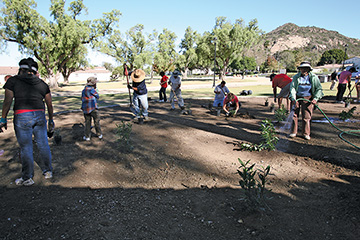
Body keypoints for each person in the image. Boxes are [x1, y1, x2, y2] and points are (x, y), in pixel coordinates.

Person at [0, 57, 54, 186]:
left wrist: (3, 119)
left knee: (26, 147)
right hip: (40, 115)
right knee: (43, 144)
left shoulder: (13, 81)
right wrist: (51, 120)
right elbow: (49, 104)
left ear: (21, 69)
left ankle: (27, 178)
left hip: (22, 116)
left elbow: (7, 101)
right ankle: (48, 171)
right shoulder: (42, 84)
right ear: (35, 71)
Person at [289, 61, 323, 140]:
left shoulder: (314, 77)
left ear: (308, 69)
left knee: (306, 116)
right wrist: (293, 98)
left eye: (305, 68)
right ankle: (293, 132)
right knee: (294, 115)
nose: (303, 70)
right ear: (300, 69)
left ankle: (306, 133)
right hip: (297, 97)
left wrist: (315, 99)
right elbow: (292, 88)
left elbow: (319, 89)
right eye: (302, 68)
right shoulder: (296, 77)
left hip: (308, 98)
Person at [81, 76, 102, 141]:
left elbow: (82, 99)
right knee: (96, 121)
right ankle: (99, 134)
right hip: (93, 108)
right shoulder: (92, 90)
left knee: (87, 122)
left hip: (85, 109)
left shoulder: (83, 90)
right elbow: (97, 96)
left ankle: (87, 136)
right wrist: (96, 90)